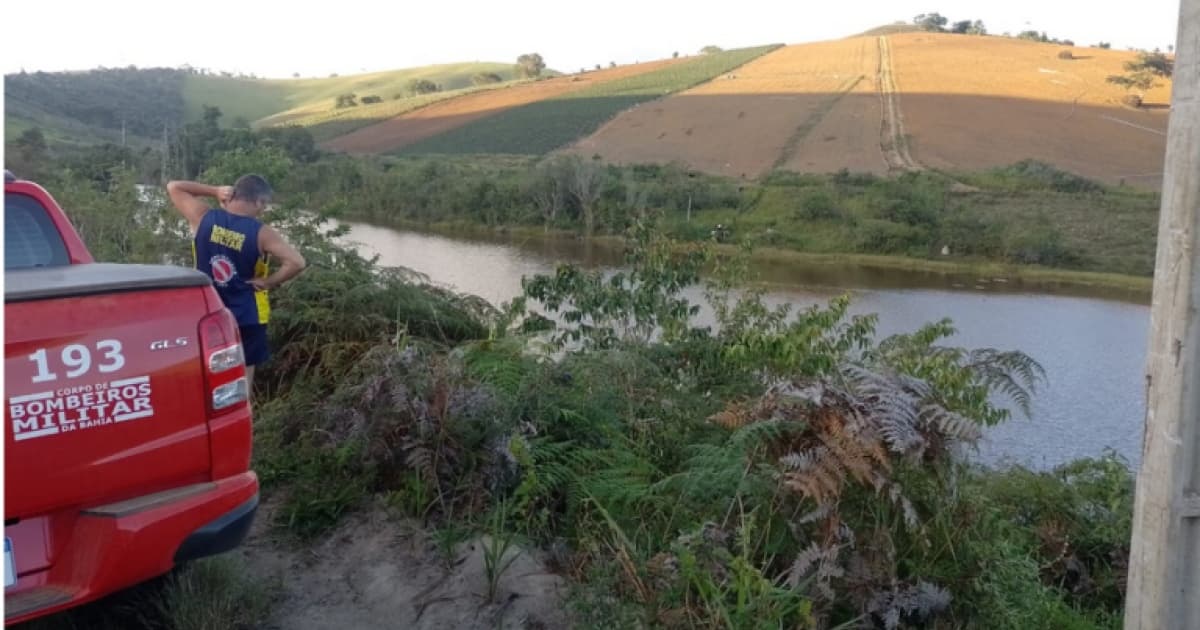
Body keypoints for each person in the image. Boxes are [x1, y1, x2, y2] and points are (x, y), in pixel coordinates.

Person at [167, 175, 306, 386]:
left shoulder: (203, 217)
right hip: (247, 314)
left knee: (207, 370)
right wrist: (269, 282)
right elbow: (296, 262)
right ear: (258, 201)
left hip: (208, 309)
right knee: (242, 376)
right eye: (264, 205)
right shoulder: (261, 233)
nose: (262, 210)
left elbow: (174, 187)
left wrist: (214, 190)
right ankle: (242, 415)